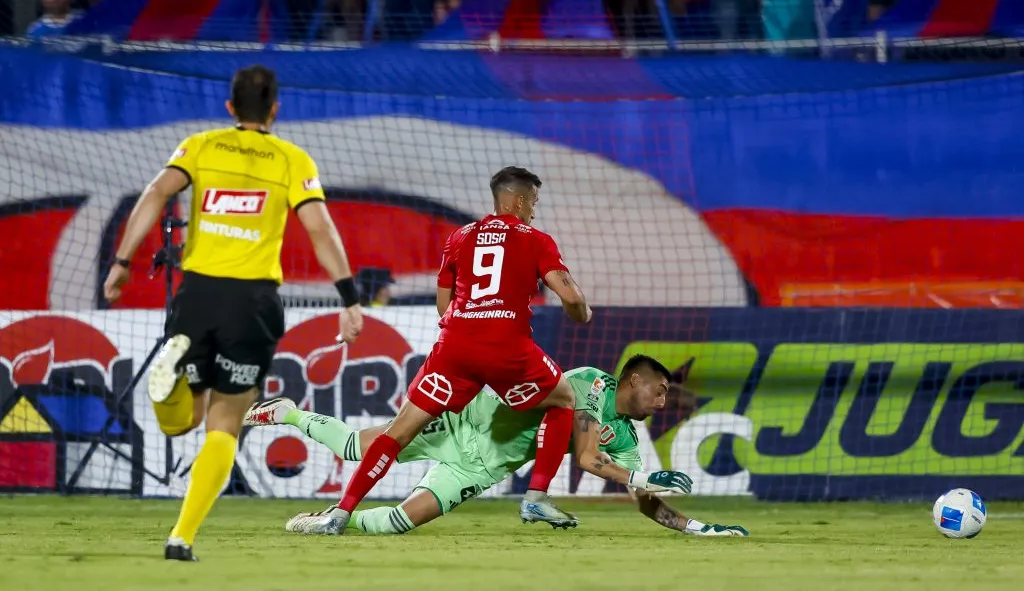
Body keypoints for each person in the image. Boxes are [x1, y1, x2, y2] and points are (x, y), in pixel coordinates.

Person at [102, 65, 364, 562]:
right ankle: (181, 537)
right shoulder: (291, 159)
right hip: (252, 302)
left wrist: (121, 262)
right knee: (224, 424)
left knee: (182, 422)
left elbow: (157, 192)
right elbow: (320, 229)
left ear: (229, 108)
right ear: (275, 109)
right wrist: (349, 298)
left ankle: (170, 382)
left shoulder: (200, 145)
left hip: (198, 292)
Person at [283, 166, 604, 535]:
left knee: (396, 432)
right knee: (563, 399)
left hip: (455, 347)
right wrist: (581, 311)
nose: (533, 209)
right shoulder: (536, 239)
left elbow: (443, 305)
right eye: (533, 201)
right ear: (517, 200)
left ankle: (339, 514)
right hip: (507, 348)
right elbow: (572, 298)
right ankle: (535, 496)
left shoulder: (460, 237)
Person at [247, 355, 731, 536]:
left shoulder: (625, 438)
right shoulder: (588, 385)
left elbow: (644, 503)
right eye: (661, 390)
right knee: (354, 447)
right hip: (463, 426)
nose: (665, 400)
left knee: (396, 523)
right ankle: (289, 411)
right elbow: (586, 457)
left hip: (480, 469)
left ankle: (337, 520)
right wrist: (644, 476)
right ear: (632, 381)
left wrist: (694, 527)